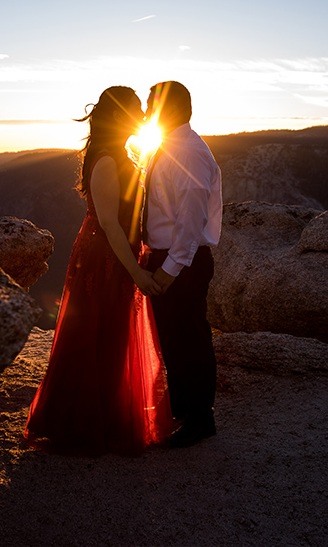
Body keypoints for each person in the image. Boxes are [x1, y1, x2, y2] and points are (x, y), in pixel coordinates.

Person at [24, 86, 173, 456]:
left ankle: (104, 416)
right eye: (136, 109)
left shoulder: (120, 154)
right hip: (105, 258)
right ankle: (81, 423)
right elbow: (109, 223)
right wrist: (137, 272)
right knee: (97, 334)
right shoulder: (108, 159)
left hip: (116, 255)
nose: (142, 114)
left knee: (111, 334)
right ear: (120, 116)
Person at [144, 80, 223, 448]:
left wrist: (167, 271)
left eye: (151, 104)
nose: (146, 111)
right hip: (172, 258)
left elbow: (190, 226)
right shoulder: (168, 147)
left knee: (190, 337)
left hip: (184, 262)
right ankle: (182, 407)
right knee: (173, 338)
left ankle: (200, 418)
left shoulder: (189, 154)